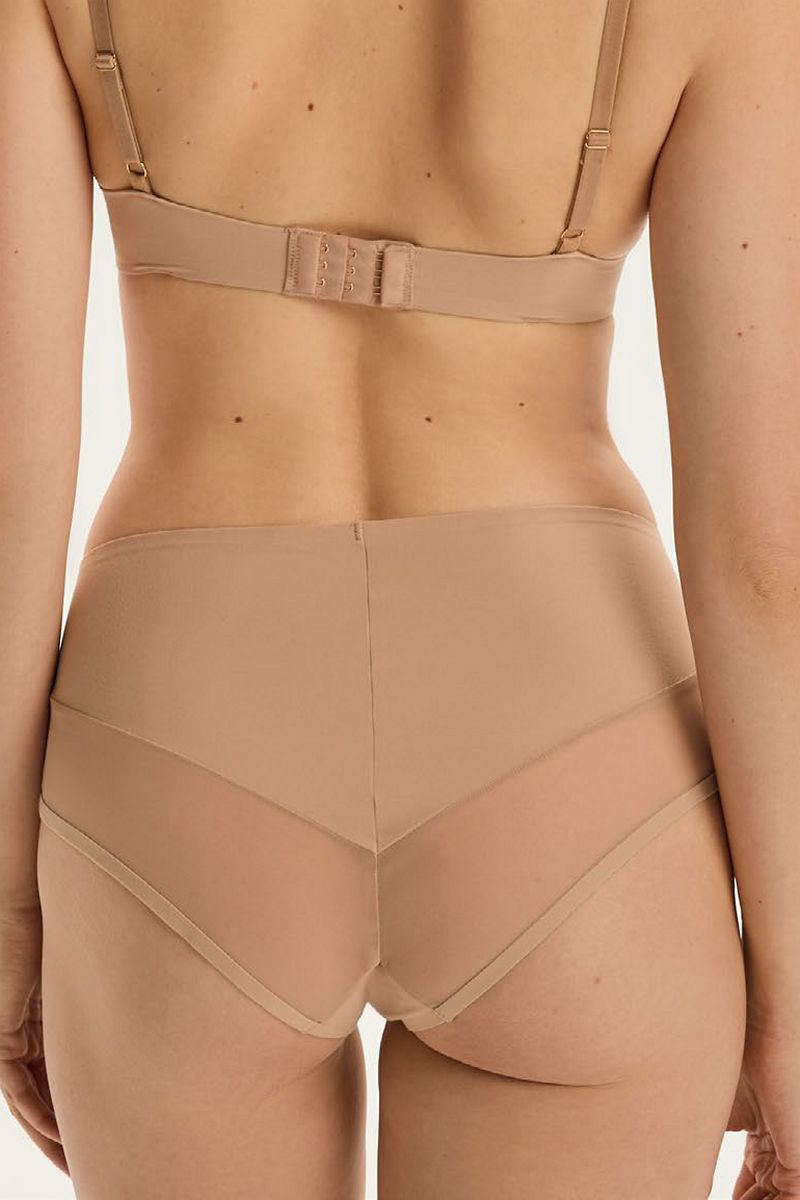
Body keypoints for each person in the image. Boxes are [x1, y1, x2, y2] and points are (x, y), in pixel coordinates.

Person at [1, 0, 798, 1196]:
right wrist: (789, 992)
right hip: (572, 750)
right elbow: (762, 554)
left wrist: (10, 914)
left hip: (178, 734)